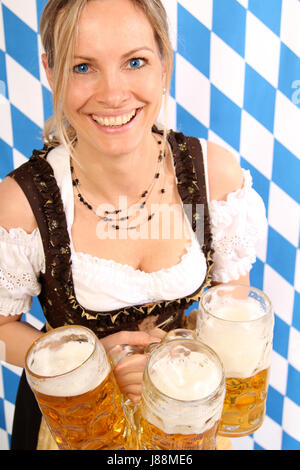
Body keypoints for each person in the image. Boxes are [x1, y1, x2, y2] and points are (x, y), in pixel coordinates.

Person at [0, 0, 267, 450]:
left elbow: (229, 298)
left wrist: (178, 356)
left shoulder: (210, 178)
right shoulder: (24, 204)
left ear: (165, 63)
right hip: (76, 425)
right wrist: (86, 365)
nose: (112, 94)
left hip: (185, 418)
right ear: (49, 70)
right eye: (83, 66)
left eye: (135, 61)